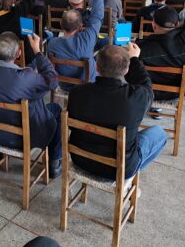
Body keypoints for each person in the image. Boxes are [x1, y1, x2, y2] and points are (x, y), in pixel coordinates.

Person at [67, 44, 166, 180]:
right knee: (159, 133)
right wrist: (134, 60)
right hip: (119, 169)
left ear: (96, 66)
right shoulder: (136, 97)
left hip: (81, 159)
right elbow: (147, 88)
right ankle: (131, 175)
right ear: (126, 70)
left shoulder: (76, 92)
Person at [0, 32, 62, 178]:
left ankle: (1, 153)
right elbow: (53, 81)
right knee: (56, 109)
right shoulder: (26, 78)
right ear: (18, 54)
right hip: (24, 139)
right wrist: (37, 51)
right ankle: (54, 162)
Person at [47, 0, 104, 89]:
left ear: (61, 25)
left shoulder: (52, 43)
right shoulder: (87, 38)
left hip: (63, 84)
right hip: (87, 85)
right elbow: (98, 14)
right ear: (80, 26)